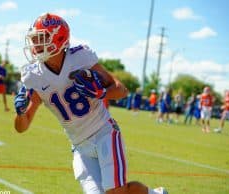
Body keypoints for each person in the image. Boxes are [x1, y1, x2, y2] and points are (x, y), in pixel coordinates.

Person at [14, 13, 167, 194]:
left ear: (59, 38)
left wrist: (102, 93)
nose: (36, 45)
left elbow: (121, 90)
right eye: (34, 39)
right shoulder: (33, 76)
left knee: (115, 192)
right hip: (79, 146)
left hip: (104, 133)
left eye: (42, 38)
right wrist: (21, 112)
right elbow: (21, 127)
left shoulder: (81, 58)